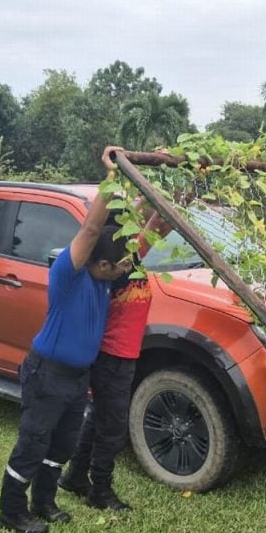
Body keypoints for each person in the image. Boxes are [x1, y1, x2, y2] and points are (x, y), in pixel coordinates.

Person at [0, 147, 131, 533]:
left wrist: (168, 191)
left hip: (76, 377)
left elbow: (145, 242)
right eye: (118, 264)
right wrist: (111, 178)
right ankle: (11, 512)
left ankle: (44, 501)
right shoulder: (69, 274)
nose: (126, 268)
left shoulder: (108, 281)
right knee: (34, 442)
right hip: (47, 373)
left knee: (62, 446)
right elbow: (91, 230)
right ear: (100, 263)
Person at [58, 198, 173, 511]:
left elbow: (162, 224)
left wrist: (183, 192)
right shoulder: (119, 269)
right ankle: (100, 490)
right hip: (112, 356)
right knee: (112, 426)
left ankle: (75, 477)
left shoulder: (128, 261)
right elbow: (153, 224)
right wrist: (150, 200)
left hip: (122, 354)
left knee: (99, 417)